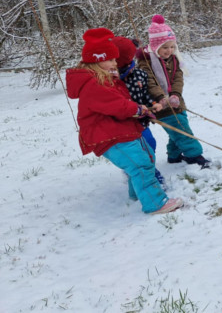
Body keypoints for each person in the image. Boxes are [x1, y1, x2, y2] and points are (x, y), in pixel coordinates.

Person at [65, 27, 183, 215]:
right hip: (108, 135)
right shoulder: (94, 84)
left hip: (119, 129)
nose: (115, 63)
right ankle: (155, 203)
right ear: (98, 60)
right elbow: (116, 105)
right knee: (140, 164)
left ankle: (138, 193)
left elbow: (121, 101)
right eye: (111, 59)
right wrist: (136, 109)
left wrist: (141, 108)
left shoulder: (105, 78)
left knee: (146, 157)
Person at [137, 15, 210, 168]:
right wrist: (162, 97)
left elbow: (178, 77)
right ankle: (194, 155)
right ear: (155, 47)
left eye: (172, 46)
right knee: (182, 129)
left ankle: (174, 155)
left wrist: (176, 94)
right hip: (160, 104)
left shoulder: (174, 59)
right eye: (165, 47)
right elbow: (150, 82)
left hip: (177, 101)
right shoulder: (146, 62)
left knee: (178, 125)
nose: (169, 50)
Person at [112, 36, 165, 184]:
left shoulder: (140, 75)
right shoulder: (109, 82)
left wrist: (153, 103)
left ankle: (149, 168)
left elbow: (144, 96)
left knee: (150, 144)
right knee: (136, 151)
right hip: (123, 125)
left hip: (141, 121)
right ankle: (143, 172)